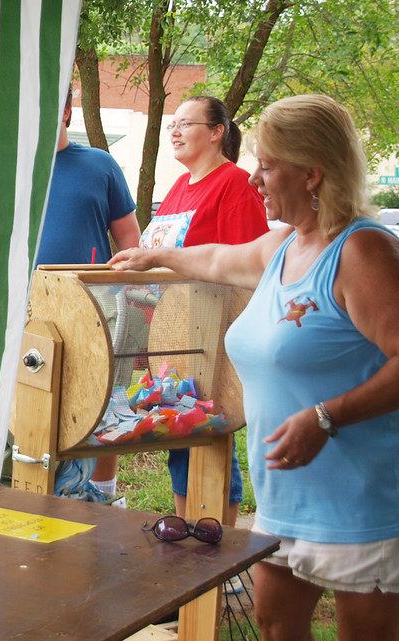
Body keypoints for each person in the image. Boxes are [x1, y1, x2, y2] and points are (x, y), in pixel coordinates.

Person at [111, 94, 399, 641]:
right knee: (278, 629)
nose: (254, 179)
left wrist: (326, 417)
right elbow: (218, 258)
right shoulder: (284, 246)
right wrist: (155, 254)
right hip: (286, 495)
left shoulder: (363, 250)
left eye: (267, 166)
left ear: (312, 173)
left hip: (361, 496)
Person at [142, 95, 268, 527]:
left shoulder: (234, 184)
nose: (175, 132)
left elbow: (249, 267)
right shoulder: (180, 186)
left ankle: (218, 542)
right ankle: (186, 538)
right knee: (179, 438)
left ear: (216, 132)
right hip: (174, 337)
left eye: (186, 123)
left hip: (215, 338)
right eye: (172, 124)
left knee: (211, 437)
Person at [35, 88, 140, 498]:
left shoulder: (100, 164)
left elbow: (129, 239)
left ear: (66, 111)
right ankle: (42, 492)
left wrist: (123, 292)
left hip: (94, 307)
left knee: (101, 401)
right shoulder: (10, 167)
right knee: (38, 400)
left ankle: (103, 495)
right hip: (31, 310)